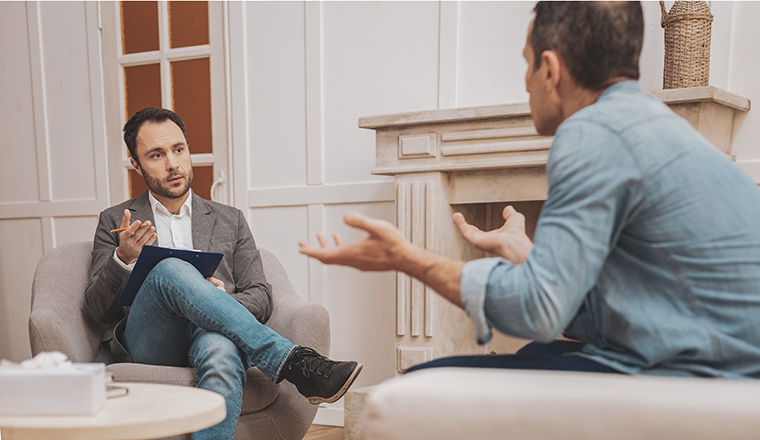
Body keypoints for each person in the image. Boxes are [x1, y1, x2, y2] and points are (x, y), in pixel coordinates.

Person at [300, 1, 760, 379]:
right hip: (722, 359)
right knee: (527, 361)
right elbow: (631, 313)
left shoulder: (592, 133)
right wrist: (526, 254)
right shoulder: (652, 126)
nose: (524, 81)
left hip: (711, 377)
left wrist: (407, 258)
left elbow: (539, 311)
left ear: (550, 69)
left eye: (525, 64)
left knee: (425, 384)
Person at [85, 107, 362, 440]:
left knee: (221, 349)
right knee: (171, 268)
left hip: (209, 335)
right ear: (137, 164)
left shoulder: (230, 219)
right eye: (156, 155)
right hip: (150, 341)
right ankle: (292, 361)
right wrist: (123, 257)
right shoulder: (116, 221)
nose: (173, 163)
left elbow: (261, 295)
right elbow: (97, 310)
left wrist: (218, 300)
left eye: (179, 149)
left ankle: (288, 363)